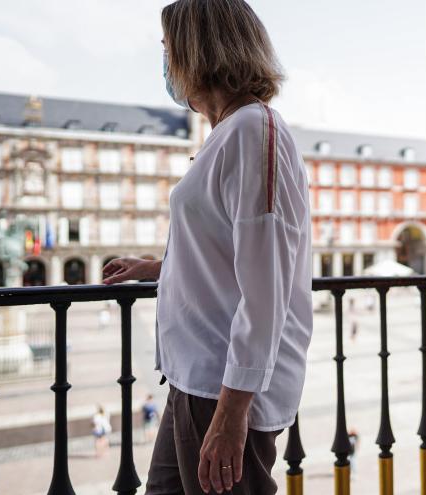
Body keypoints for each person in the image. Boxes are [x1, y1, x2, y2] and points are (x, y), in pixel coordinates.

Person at [102, 1, 313, 493]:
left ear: (197, 51)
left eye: (168, 49)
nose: (166, 64)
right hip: (194, 379)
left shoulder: (253, 130)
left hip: (222, 387)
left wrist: (231, 412)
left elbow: (266, 287)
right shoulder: (228, 134)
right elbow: (228, 251)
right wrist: (158, 267)